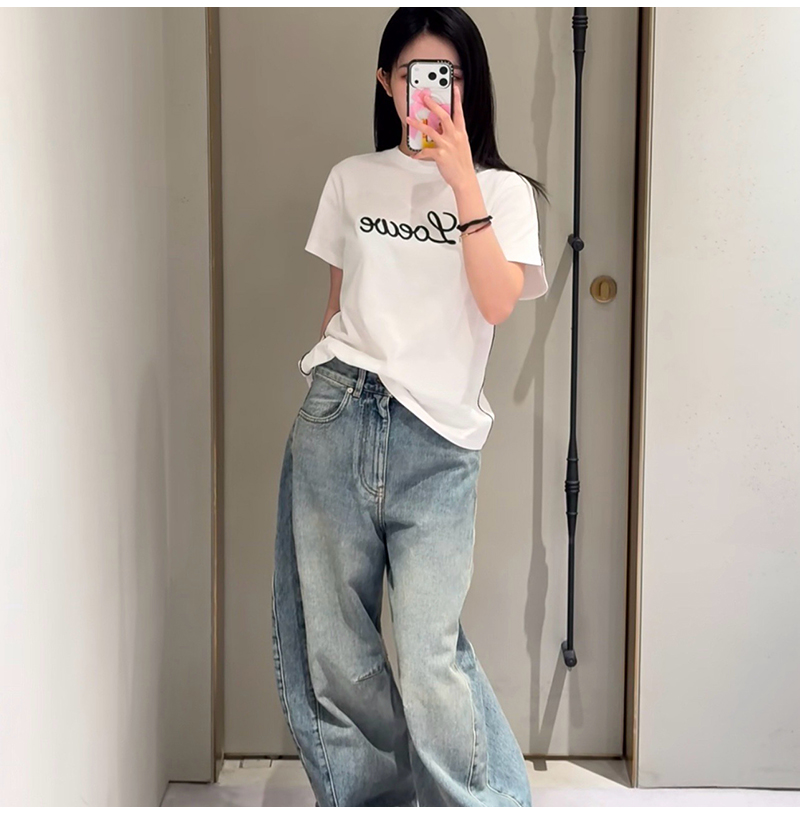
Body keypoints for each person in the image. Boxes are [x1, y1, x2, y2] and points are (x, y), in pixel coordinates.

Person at [271, 8, 548, 807]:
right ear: (387, 84)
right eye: (416, 75)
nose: (431, 91)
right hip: (339, 413)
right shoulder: (352, 179)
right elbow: (337, 307)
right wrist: (326, 396)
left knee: (431, 653)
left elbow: (497, 303)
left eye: (448, 76)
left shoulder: (503, 193)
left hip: (437, 441)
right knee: (339, 652)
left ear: (469, 85)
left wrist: (462, 183)